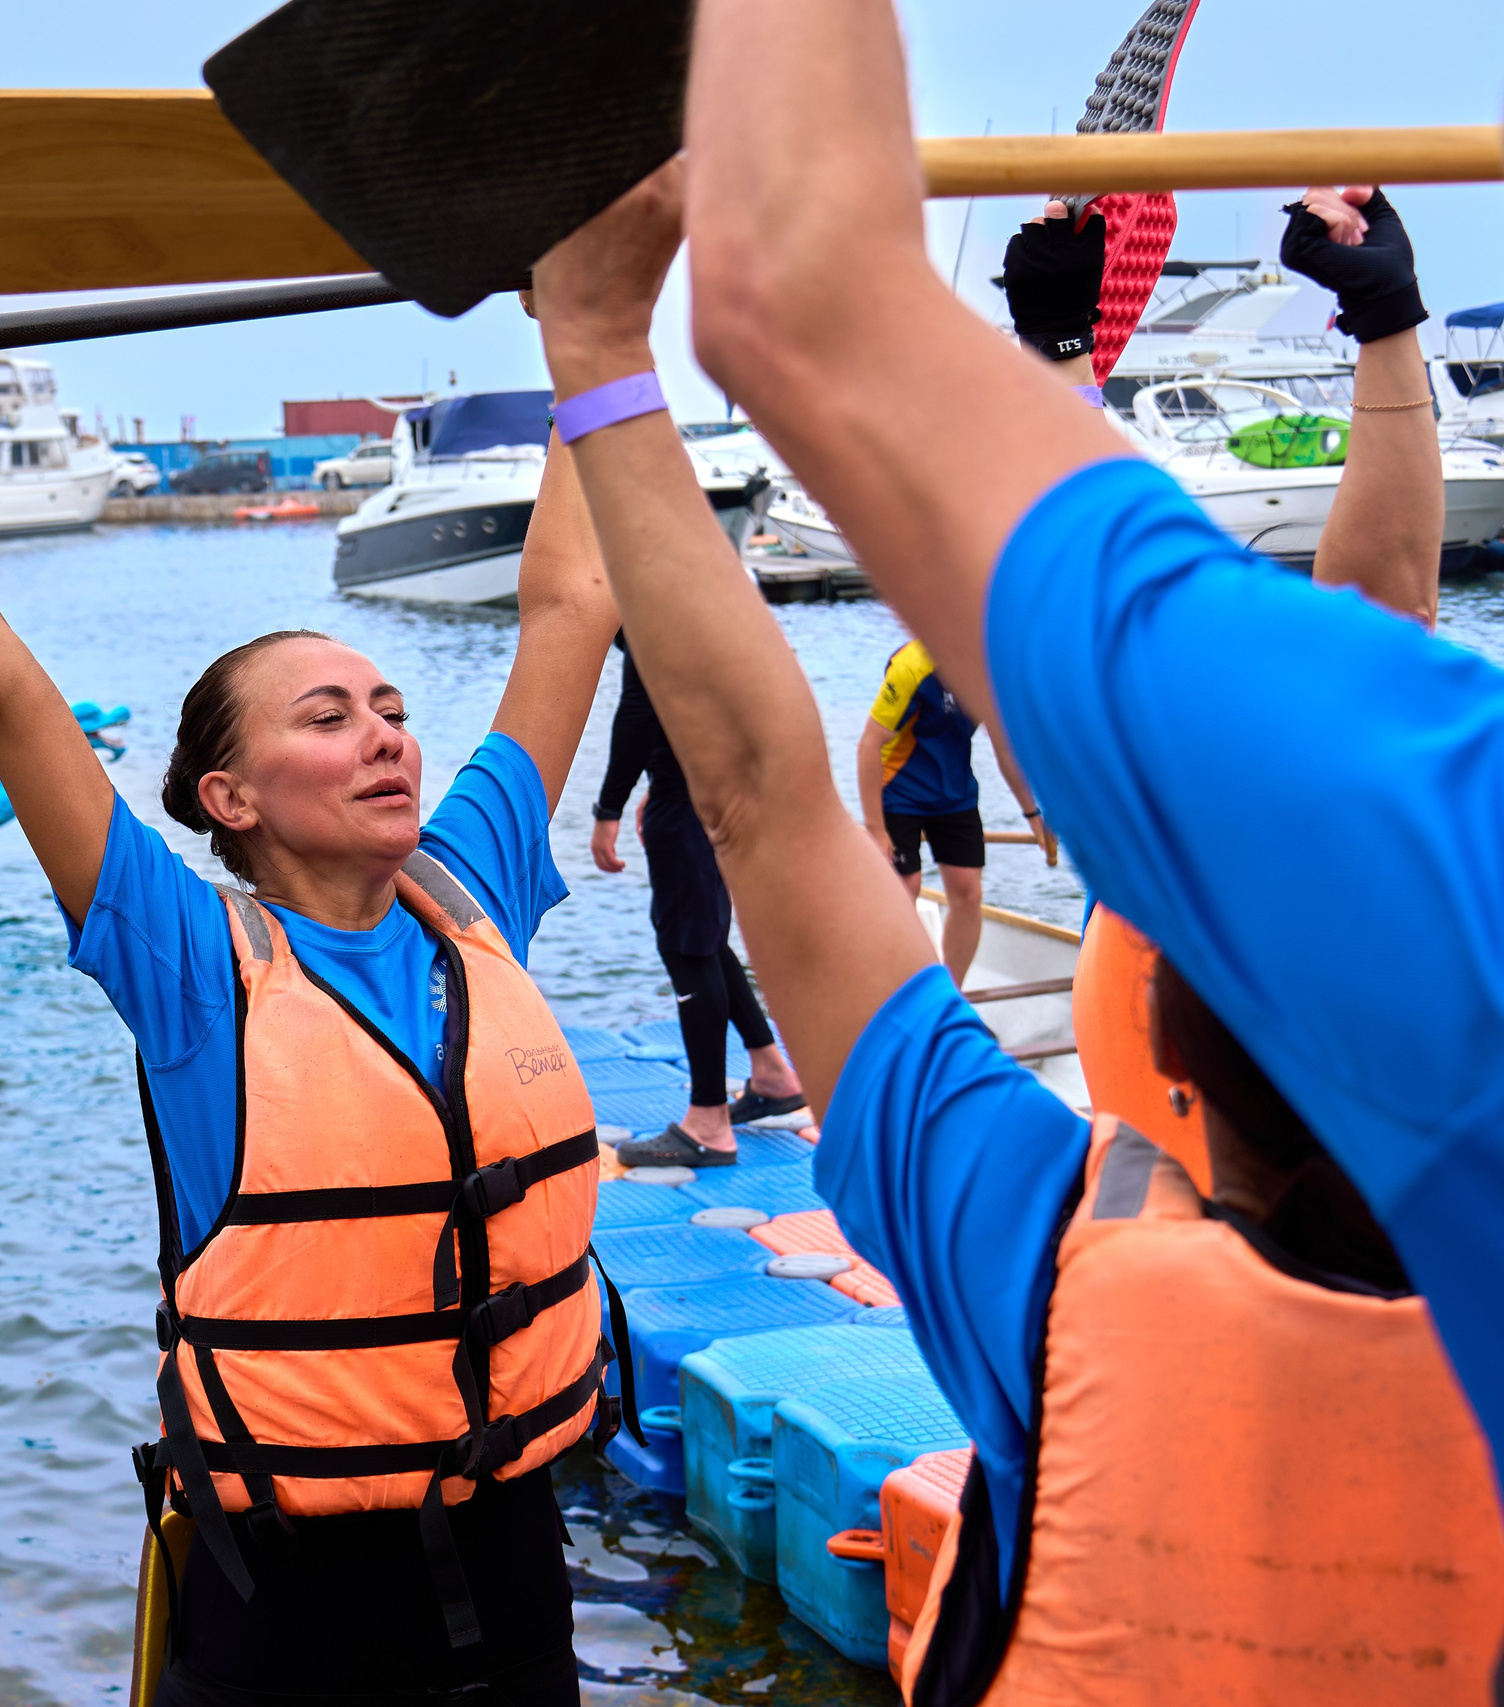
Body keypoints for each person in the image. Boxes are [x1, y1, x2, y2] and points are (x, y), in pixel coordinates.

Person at [528, 6, 1504, 1690]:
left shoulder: (1036, 1263)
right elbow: (1386, 632)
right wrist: (1389, 329)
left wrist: (600, 337)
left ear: (1168, 1047)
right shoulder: (1457, 1033)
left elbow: (757, 790)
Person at [0, 301, 621, 1705]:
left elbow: (572, 604)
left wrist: (594, 337)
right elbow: (9, 697)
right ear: (230, 797)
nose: (388, 733)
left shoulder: (474, 885)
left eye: (392, 703)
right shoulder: (187, 962)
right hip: (289, 1598)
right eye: (328, 715)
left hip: (515, 1553)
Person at [590, 631, 806, 1166]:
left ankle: (708, 1122)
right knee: (706, 939)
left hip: (691, 802)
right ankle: (773, 1075)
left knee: (687, 947)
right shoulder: (695, 594)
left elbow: (638, 714)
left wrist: (607, 809)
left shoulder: (643, 598)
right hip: (722, 791)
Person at [855, 638, 1050, 984]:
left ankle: (952, 993)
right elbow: (869, 744)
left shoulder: (989, 672)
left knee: (967, 892)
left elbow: (1007, 755)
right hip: (899, 790)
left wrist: (1033, 815)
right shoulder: (912, 666)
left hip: (954, 793)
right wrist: (875, 828)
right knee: (905, 886)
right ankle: (897, 989)